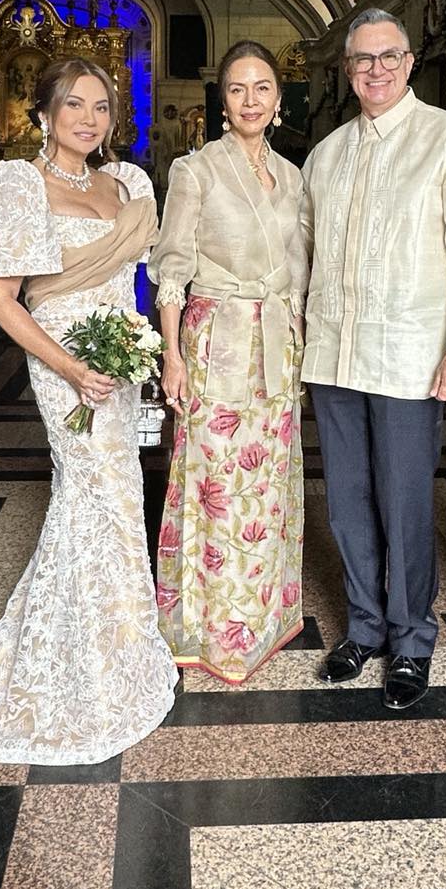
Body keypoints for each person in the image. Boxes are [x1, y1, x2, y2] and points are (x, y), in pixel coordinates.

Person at [0, 58, 177, 764]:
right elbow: (3, 297)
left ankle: (117, 642)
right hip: (63, 361)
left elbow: (138, 280)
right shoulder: (19, 183)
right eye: (74, 106)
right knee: (92, 491)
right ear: (45, 115)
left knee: (120, 495)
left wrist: (137, 349)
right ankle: (72, 658)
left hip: (119, 359)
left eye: (100, 107)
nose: (88, 119)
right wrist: (69, 366)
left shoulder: (129, 184)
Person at [301, 8, 446, 710]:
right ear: (346, 70)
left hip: (411, 356)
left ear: (410, 62)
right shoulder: (325, 156)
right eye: (362, 60)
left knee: (406, 502)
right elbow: (303, 260)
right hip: (334, 356)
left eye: (388, 57)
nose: (375, 70)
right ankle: (364, 625)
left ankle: (412, 642)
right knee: (348, 504)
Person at [149, 40, 308, 683]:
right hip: (216, 341)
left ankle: (263, 614)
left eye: (262, 88)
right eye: (238, 89)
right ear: (223, 99)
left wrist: (298, 335)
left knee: (267, 484)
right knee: (217, 485)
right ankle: (212, 625)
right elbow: (171, 267)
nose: (251, 100)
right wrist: (172, 354)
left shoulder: (292, 175)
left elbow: (299, 269)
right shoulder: (196, 170)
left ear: (277, 98)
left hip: (277, 345)